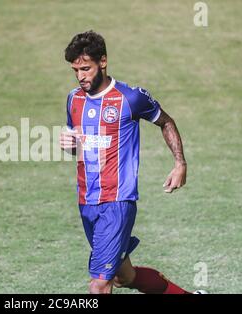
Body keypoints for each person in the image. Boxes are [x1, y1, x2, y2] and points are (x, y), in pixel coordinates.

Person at [60, 30, 199, 294]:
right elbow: (80, 147)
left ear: (103, 61)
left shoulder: (130, 98)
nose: (81, 77)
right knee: (124, 276)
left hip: (117, 203)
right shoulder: (73, 99)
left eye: (86, 68)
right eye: (75, 70)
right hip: (86, 202)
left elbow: (166, 121)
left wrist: (180, 163)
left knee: (99, 284)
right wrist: (71, 146)